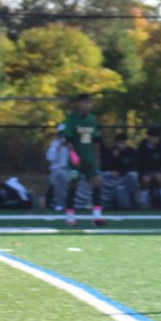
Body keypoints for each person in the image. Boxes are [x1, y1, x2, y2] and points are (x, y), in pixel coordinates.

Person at [61, 93, 105, 226]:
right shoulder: (71, 119)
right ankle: (70, 217)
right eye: (85, 102)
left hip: (89, 159)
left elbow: (96, 140)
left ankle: (97, 216)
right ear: (78, 103)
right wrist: (73, 154)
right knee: (73, 184)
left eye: (90, 103)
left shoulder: (93, 119)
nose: (88, 105)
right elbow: (68, 139)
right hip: (76, 160)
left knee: (97, 183)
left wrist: (97, 156)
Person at [103, 132, 141, 209]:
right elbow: (106, 167)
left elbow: (132, 167)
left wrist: (121, 173)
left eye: (123, 143)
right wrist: (115, 158)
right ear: (116, 143)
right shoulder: (111, 151)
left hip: (125, 176)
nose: (122, 145)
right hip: (114, 179)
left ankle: (135, 201)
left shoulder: (131, 151)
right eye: (120, 143)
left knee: (131, 177)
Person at [137, 127, 161, 209]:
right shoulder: (142, 147)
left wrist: (159, 172)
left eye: (156, 137)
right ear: (148, 137)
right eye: (152, 137)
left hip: (157, 171)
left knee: (160, 178)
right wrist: (146, 173)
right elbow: (140, 162)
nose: (154, 139)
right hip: (145, 171)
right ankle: (143, 201)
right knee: (146, 180)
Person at [45, 124, 70, 212]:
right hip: (58, 170)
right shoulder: (55, 144)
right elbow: (50, 158)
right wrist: (58, 148)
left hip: (71, 170)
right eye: (61, 134)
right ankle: (60, 204)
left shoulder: (73, 145)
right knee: (60, 175)